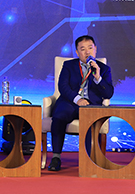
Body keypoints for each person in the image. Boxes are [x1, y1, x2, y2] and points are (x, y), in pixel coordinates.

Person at [47, 35, 114, 171]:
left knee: (90, 119)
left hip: (90, 105)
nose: (87, 52)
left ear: (95, 49)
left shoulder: (103, 69)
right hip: (70, 102)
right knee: (59, 117)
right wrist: (78, 99)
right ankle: (56, 157)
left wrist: (98, 78)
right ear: (77, 52)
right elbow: (63, 87)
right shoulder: (69, 65)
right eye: (83, 49)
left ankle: (89, 160)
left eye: (90, 48)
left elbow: (108, 94)